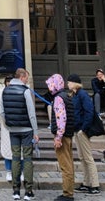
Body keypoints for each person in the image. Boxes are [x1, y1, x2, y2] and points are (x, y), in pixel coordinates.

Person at [0, 68, 39, 201]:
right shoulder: (26, 91)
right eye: (27, 77)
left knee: (15, 157)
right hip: (27, 130)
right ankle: (28, 191)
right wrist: (36, 131)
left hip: (13, 130)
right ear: (22, 77)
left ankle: (16, 191)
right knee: (27, 158)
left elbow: (2, 112)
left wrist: (8, 123)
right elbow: (31, 114)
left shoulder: (5, 90)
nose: (27, 80)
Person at [67, 74, 101, 196]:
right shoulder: (74, 95)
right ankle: (86, 182)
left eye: (69, 82)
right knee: (82, 157)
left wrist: (84, 128)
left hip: (82, 130)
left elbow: (89, 111)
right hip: (77, 130)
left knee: (88, 158)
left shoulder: (82, 94)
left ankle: (95, 184)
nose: (68, 84)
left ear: (75, 83)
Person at [46, 73, 76, 201]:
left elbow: (61, 118)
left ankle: (67, 193)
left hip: (63, 135)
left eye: (50, 84)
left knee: (65, 165)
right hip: (68, 134)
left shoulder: (58, 98)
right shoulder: (67, 96)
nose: (49, 87)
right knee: (69, 163)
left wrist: (58, 136)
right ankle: (69, 190)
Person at [0, 75, 13, 182]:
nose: (9, 83)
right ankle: (9, 171)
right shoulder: (2, 91)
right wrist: (2, 112)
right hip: (6, 124)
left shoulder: (20, 90)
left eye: (10, 81)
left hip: (19, 123)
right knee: (7, 148)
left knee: (21, 149)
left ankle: (21, 171)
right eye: (7, 81)